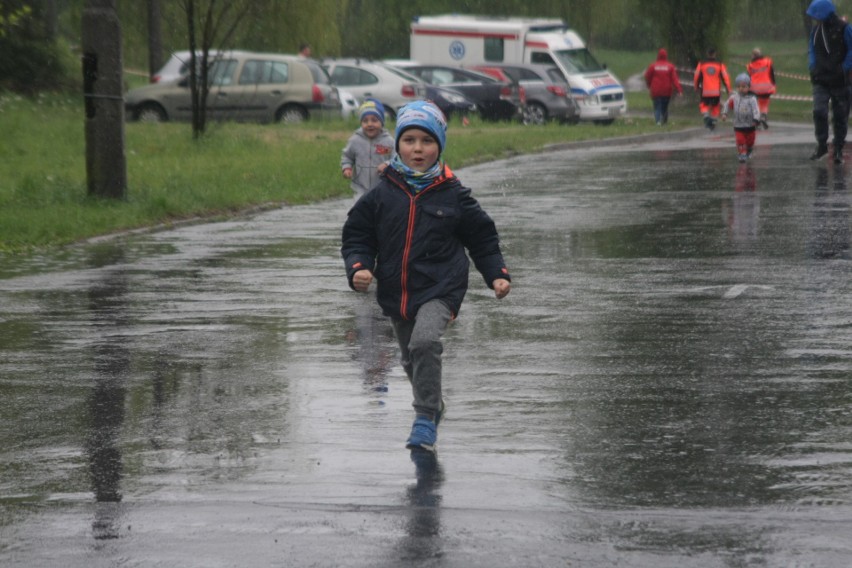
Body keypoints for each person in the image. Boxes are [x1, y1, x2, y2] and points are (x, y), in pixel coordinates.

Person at [341, 100, 512, 453]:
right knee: (409, 358)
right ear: (398, 144)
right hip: (397, 291)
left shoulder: (454, 194)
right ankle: (433, 402)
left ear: (440, 147)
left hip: (441, 287)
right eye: (410, 140)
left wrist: (496, 274)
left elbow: (482, 238)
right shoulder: (382, 193)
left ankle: (424, 417)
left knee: (424, 344)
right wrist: (359, 267)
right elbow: (358, 234)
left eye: (427, 141)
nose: (418, 149)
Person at [806, 0, 852, 163]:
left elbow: (851, 49)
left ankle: (838, 148)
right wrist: (812, 65)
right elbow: (811, 49)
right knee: (819, 111)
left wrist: (844, 68)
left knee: (840, 116)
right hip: (820, 79)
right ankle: (821, 145)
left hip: (840, 80)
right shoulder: (816, 30)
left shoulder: (845, 28)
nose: (814, 19)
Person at [340, 98, 394, 198]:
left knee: (380, 210)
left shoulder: (389, 141)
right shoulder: (355, 140)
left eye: (374, 120)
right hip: (360, 187)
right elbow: (347, 156)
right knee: (361, 210)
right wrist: (346, 168)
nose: (369, 124)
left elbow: (397, 159)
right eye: (365, 121)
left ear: (381, 122)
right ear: (361, 123)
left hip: (383, 187)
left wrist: (387, 164)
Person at [721, 73, 761, 162]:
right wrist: (724, 113)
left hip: (750, 125)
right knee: (740, 140)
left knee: (750, 141)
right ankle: (742, 153)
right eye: (739, 87)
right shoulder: (734, 97)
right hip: (738, 125)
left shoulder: (752, 99)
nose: (741, 89)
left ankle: (749, 149)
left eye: (743, 87)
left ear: (748, 87)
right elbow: (726, 105)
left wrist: (756, 119)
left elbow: (756, 109)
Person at [693, 48, 731, 131]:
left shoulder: (702, 64)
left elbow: (696, 76)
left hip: (705, 91)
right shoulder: (720, 65)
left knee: (703, 105)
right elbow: (725, 77)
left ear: (707, 54)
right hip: (715, 91)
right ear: (715, 54)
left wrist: (696, 86)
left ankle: (706, 116)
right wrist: (728, 89)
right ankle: (713, 121)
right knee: (715, 107)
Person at [644, 48, 683, 125]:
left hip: (656, 91)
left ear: (658, 56)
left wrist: (649, 86)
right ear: (666, 56)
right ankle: (664, 121)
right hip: (666, 91)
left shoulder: (653, 66)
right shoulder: (670, 67)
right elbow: (675, 79)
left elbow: (647, 77)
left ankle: (658, 121)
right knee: (665, 107)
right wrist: (679, 90)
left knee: (657, 106)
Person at [746, 48, 776, 129]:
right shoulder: (768, 62)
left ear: (753, 56)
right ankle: (763, 116)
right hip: (766, 86)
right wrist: (773, 84)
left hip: (754, 87)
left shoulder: (750, 65)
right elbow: (772, 73)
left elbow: (749, 77)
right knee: (765, 103)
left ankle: (756, 119)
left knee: (756, 103)